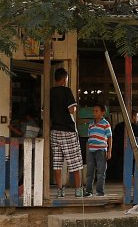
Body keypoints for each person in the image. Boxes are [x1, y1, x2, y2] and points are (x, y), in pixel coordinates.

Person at [50, 68, 83, 198]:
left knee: (57, 162)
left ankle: (59, 190)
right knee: (75, 161)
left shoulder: (50, 92)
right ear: (65, 79)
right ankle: (78, 189)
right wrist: (74, 107)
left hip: (55, 131)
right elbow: (71, 110)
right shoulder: (66, 91)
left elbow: (44, 112)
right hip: (68, 131)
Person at [84, 104, 112, 197]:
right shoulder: (91, 124)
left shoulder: (106, 124)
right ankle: (88, 191)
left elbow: (110, 137)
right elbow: (89, 137)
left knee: (101, 172)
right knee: (90, 172)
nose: (94, 113)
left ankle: (100, 192)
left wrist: (109, 151)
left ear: (102, 112)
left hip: (101, 150)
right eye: (93, 111)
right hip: (91, 150)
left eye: (96, 111)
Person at [110, 110, 138, 181]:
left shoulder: (118, 125)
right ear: (133, 117)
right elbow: (137, 140)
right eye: (137, 117)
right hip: (129, 150)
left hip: (117, 151)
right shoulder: (134, 126)